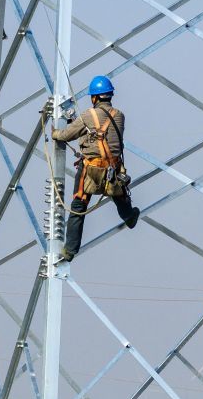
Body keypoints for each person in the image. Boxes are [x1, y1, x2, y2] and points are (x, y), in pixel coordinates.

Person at [51, 75, 141, 262]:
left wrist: (55, 133)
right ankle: (130, 217)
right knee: (118, 195)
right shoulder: (120, 116)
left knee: (78, 206)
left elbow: (67, 135)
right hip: (113, 170)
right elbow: (105, 136)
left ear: (94, 97)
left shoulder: (87, 116)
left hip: (91, 170)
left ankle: (69, 251)